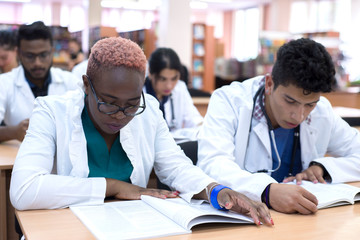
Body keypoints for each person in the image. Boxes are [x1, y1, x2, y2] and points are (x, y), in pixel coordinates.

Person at [9, 37, 273, 226]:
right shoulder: (51, 112)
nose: (122, 115)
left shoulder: (149, 111)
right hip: (67, 230)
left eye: (132, 104)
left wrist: (215, 190)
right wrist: (114, 187)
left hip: (134, 227)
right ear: (86, 86)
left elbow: (177, 167)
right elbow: (24, 190)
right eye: (109, 103)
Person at [197, 38, 360, 215]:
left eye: (309, 105)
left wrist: (322, 167)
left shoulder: (322, 111)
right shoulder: (229, 101)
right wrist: (267, 191)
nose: (299, 116)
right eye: (290, 101)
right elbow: (212, 163)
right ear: (269, 84)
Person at [0, 21, 80, 142]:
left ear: (52, 51)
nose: (37, 62)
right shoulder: (4, 83)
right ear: (19, 54)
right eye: (30, 56)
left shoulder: (70, 82)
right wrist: (13, 132)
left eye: (43, 55)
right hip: (18, 157)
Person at [144, 48, 203, 141]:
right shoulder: (139, 93)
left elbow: (195, 120)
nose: (169, 85)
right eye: (163, 79)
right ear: (150, 73)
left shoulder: (180, 88)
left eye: (174, 78)